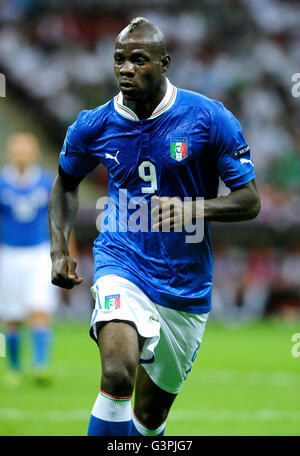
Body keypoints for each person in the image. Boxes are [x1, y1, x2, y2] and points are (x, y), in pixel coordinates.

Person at [48, 17, 260, 436]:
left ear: (164, 63)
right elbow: (64, 185)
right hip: (121, 260)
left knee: (149, 418)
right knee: (117, 374)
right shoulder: (94, 124)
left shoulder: (208, 117)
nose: (125, 68)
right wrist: (58, 250)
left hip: (185, 281)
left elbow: (249, 200)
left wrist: (193, 210)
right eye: (119, 60)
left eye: (138, 60)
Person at [0, 132, 57, 386]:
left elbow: (59, 218)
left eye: (26, 149)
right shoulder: (2, 182)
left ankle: (40, 365)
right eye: (17, 149)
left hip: (39, 252)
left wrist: (66, 252)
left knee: (40, 308)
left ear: (34, 152)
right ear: (9, 152)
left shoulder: (46, 182)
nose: (22, 154)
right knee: (10, 315)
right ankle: (13, 367)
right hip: (8, 252)